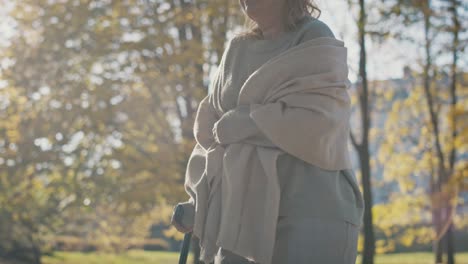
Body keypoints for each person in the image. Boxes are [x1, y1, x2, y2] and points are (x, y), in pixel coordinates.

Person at [172, 0, 364, 263]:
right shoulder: (236, 50)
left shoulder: (313, 35)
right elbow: (209, 136)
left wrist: (243, 123)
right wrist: (198, 200)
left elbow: (318, 120)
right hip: (239, 217)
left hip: (309, 211)